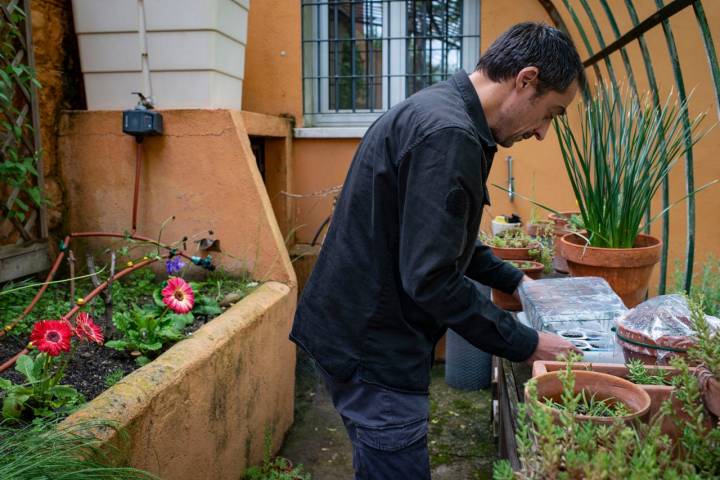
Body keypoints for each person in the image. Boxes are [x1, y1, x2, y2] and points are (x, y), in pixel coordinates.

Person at [290, 22, 584, 479]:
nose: (544, 131)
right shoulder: (451, 136)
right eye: (551, 113)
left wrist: (515, 279)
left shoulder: (442, 111)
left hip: (349, 332)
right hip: (375, 353)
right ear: (526, 80)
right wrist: (526, 343)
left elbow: (438, 239)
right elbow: (432, 278)